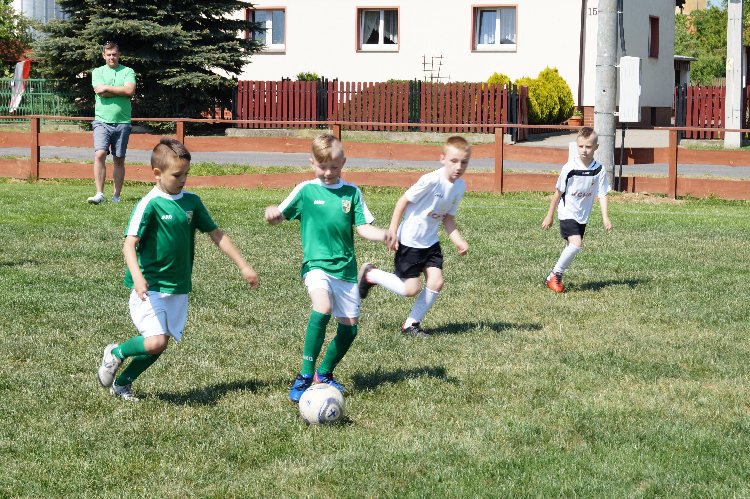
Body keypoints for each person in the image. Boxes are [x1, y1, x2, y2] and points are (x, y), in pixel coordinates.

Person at [97, 138, 259, 401]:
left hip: (178, 287)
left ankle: (123, 383)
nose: (183, 179)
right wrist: (137, 277)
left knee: (159, 344)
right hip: (150, 287)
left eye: (186, 174)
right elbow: (129, 244)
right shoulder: (150, 203)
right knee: (156, 341)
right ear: (157, 173)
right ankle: (116, 353)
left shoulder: (192, 202)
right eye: (177, 175)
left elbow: (216, 234)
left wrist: (244, 266)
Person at [264, 133, 393, 403]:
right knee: (322, 308)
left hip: (345, 270)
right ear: (312, 163)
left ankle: (324, 373)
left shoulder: (351, 193)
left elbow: (362, 227)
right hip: (316, 266)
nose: (328, 172)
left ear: (343, 162)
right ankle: (304, 375)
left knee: (350, 330)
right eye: (322, 167)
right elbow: (279, 216)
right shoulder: (306, 190)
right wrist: (272, 213)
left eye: (334, 166)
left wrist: (383, 235)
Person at [357, 135, 470, 338]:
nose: (458, 167)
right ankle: (370, 274)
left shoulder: (460, 186)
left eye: (464, 162)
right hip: (410, 241)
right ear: (442, 158)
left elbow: (448, 219)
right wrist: (393, 230)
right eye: (454, 161)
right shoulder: (431, 180)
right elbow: (403, 201)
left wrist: (458, 240)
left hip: (430, 243)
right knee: (410, 289)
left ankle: (411, 324)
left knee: (436, 282)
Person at [541, 126, 612, 292]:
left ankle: (555, 276)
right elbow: (558, 193)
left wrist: (605, 217)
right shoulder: (569, 168)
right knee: (576, 244)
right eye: (581, 146)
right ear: (577, 146)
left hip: (582, 216)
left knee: (571, 247)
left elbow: (602, 194)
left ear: (596, 147)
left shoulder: (598, 169)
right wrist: (549, 216)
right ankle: (554, 276)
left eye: (588, 146)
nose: (584, 150)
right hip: (567, 212)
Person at [87, 41, 136, 204]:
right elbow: (100, 92)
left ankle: (116, 196)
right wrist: (120, 91)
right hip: (101, 121)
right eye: (108, 55)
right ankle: (99, 194)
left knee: (119, 159)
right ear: (104, 56)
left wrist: (108, 88)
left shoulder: (128, 71)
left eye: (114, 54)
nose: (111, 57)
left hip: (123, 121)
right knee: (100, 154)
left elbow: (129, 90)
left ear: (119, 55)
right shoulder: (97, 72)